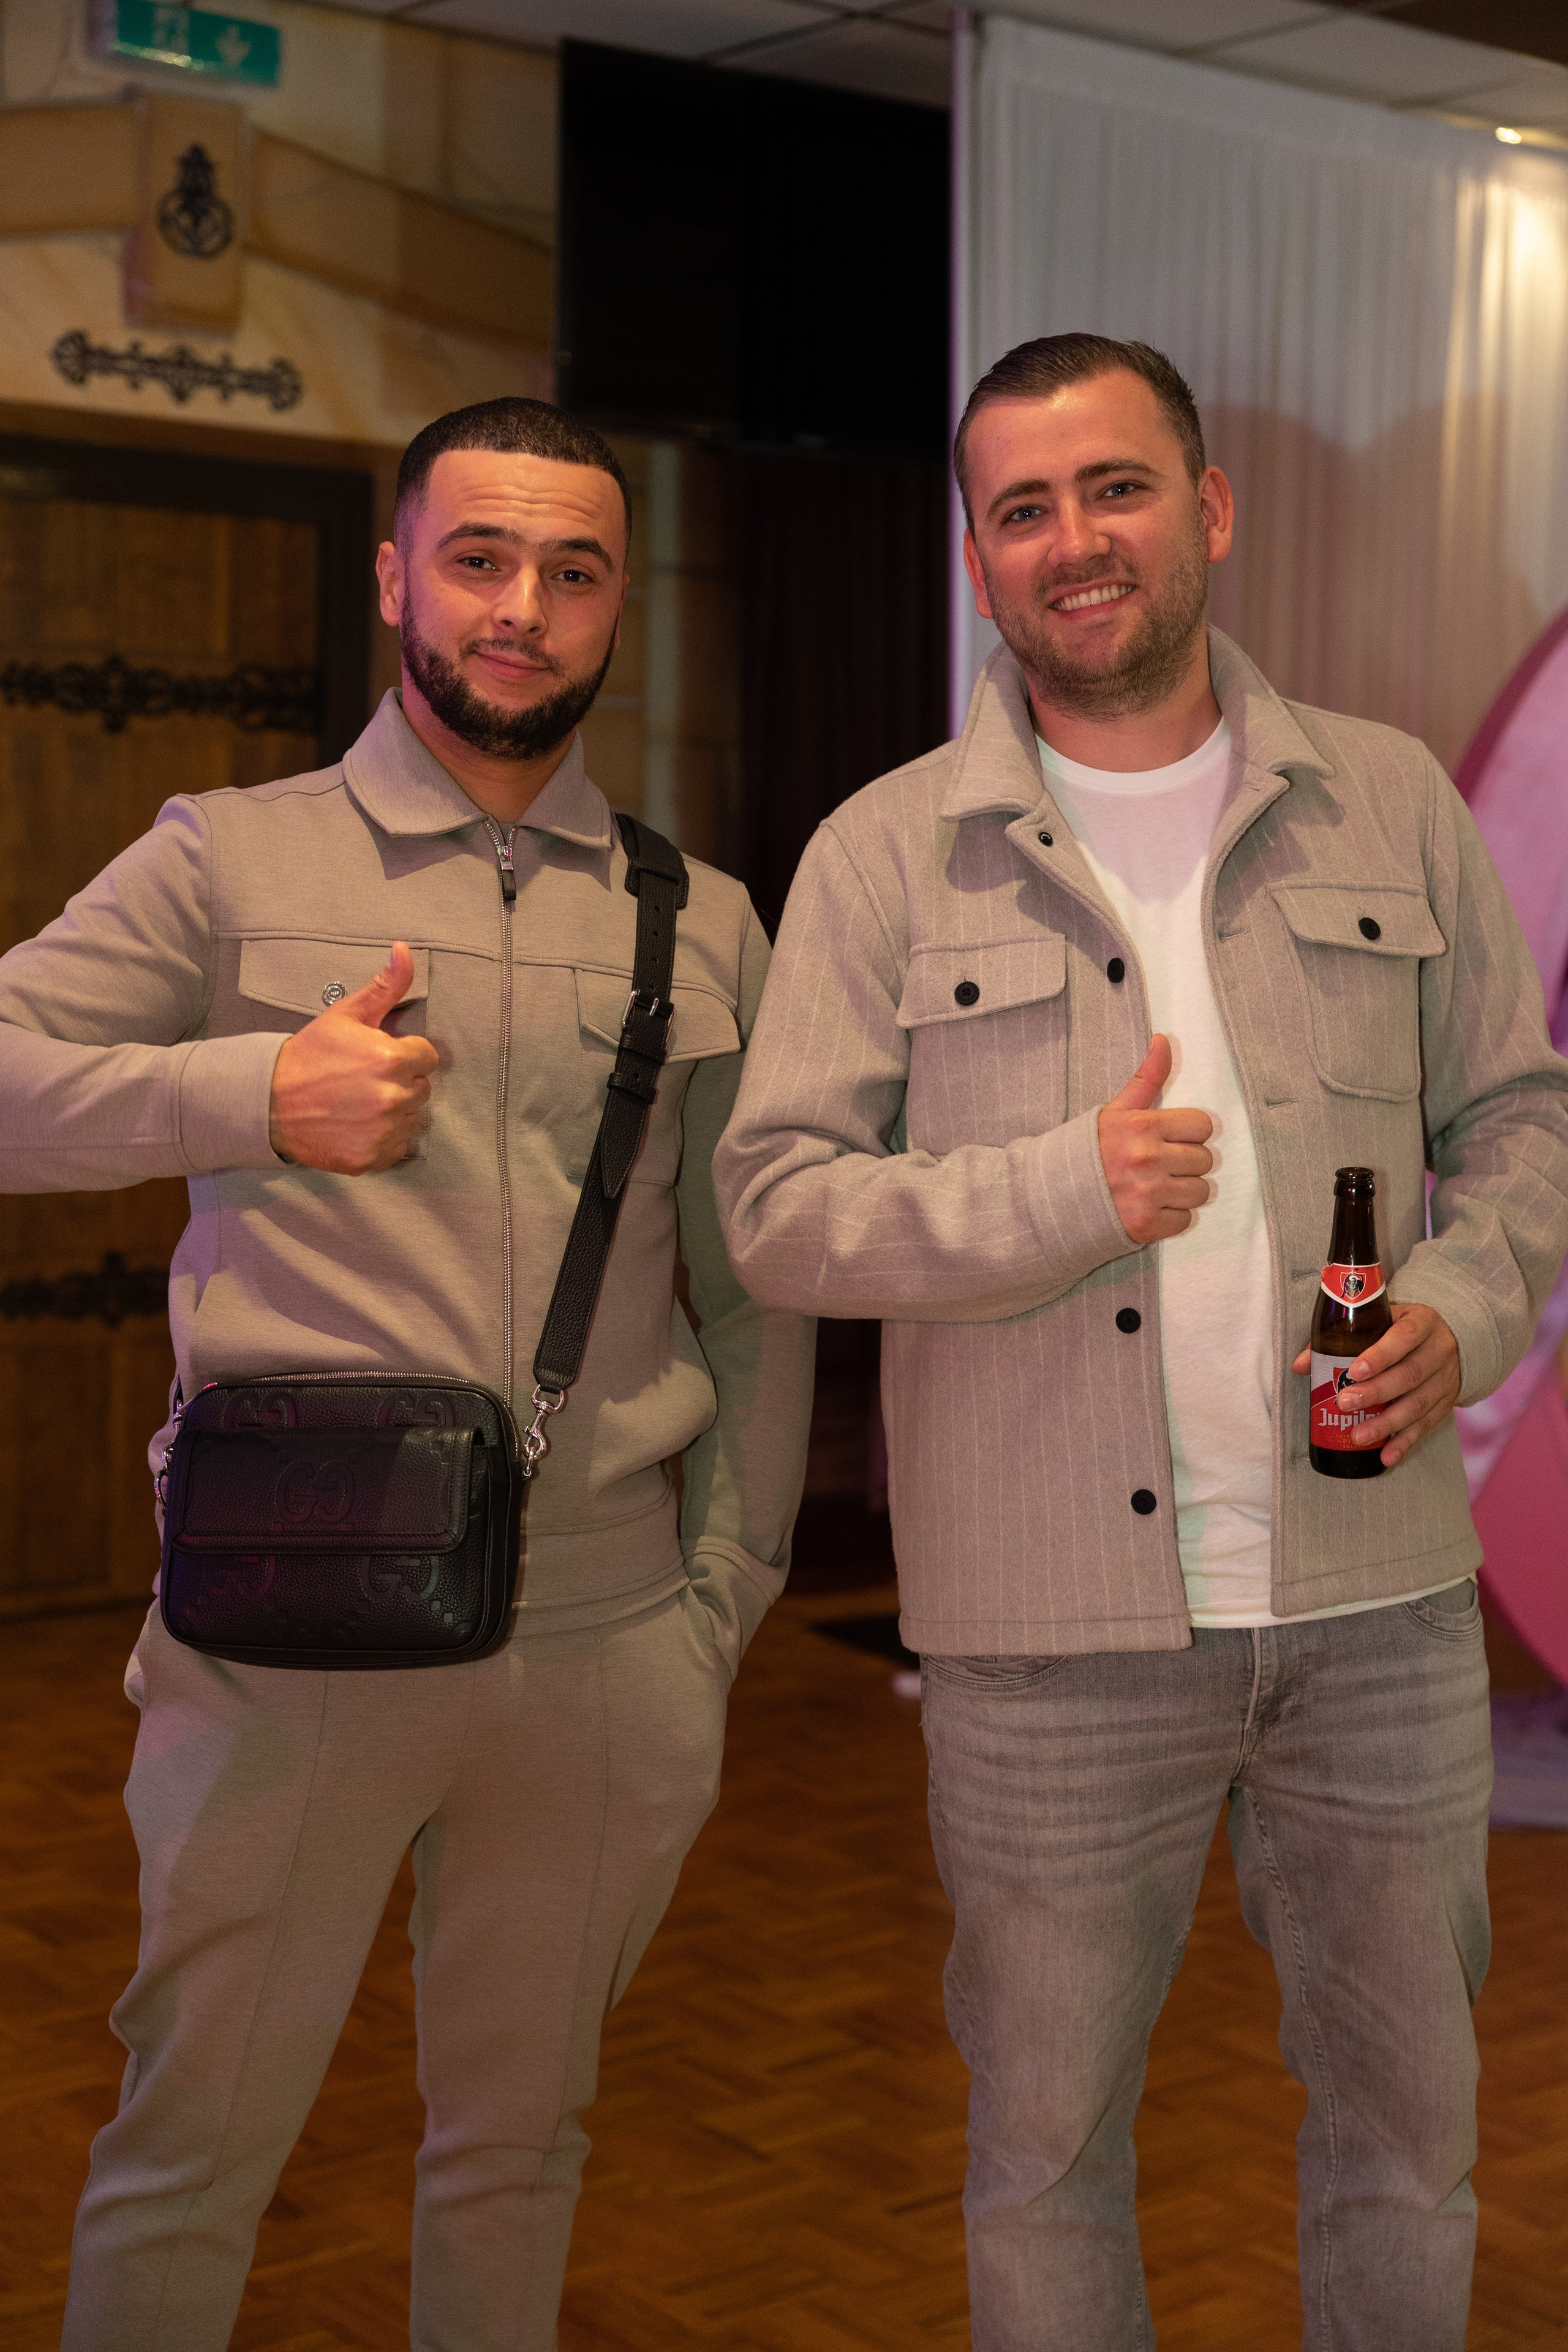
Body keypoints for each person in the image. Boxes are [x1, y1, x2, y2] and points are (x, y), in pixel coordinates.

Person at [714, 334, 1568, 2350]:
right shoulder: (885, 852)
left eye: (1112, 489)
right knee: (1041, 2162)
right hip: (1044, 1653)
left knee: (1404, 2142)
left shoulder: (1394, 805)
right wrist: (1057, 1190)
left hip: (1379, 1616)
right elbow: (774, 1208)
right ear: (977, 561)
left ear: (1208, 510)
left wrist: (1458, 1308)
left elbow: (1523, 1126)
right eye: (1021, 509)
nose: (1073, 542)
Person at [0, 396, 813, 2350]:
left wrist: (724, 1603)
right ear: (396, 579)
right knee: (192, 2153)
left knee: (521, 2153)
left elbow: (751, 1291)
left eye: (574, 569)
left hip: (606, 1651)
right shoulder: (228, 860)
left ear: (617, 606)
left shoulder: (701, 919)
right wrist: (248, 1091)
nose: (522, 608)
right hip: (289, 1648)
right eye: (478, 557)